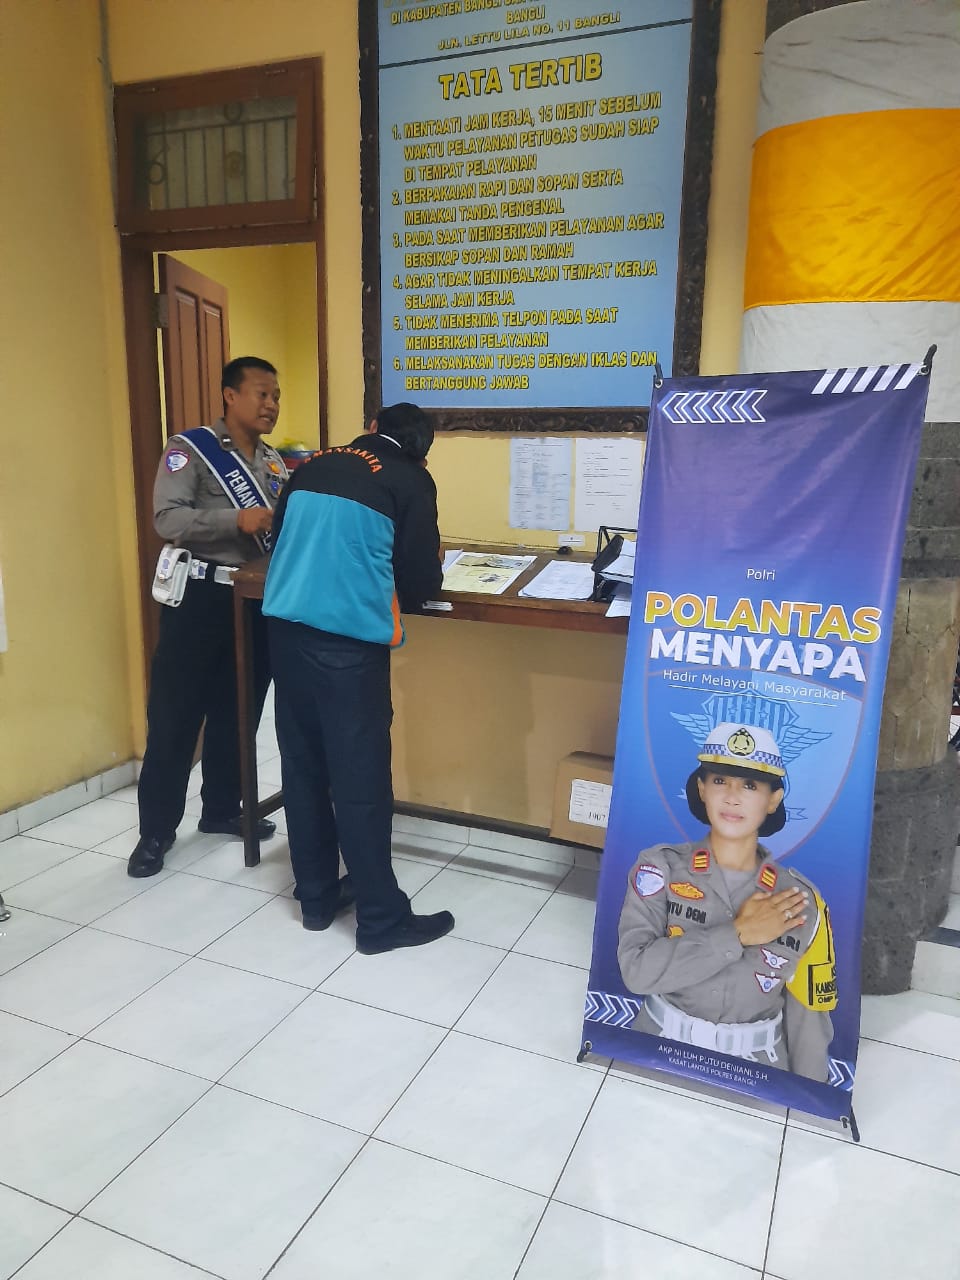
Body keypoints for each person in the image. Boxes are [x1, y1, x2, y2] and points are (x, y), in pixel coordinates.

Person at [262, 402, 454, 954]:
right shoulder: (411, 480)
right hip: (347, 647)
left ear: (372, 429)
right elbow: (420, 582)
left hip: (286, 634)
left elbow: (278, 541)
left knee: (303, 767)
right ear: (422, 453)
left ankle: (317, 898)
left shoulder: (313, 464)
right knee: (360, 781)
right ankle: (380, 919)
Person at [127, 356, 288, 878]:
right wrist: (235, 519)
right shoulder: (191, 450)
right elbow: (167, 518)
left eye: (276, 396)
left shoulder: (274, 463)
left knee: (239, 712)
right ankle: (156, 831)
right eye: (262, 393)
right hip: (198, 597)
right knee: (175, 716)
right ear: (230, 395)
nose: (271, 404)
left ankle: (222, 807)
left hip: (251, 601)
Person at [617, 722, 837, 1081]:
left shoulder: (802, 901)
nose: (732, 797)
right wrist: (737, 934)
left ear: (773, 799)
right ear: (702, 789)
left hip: (760, 1071)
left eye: (750, 785)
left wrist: (809, 1098)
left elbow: (808, 1020)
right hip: (658, 1048)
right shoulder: (660, 869)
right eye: (720, 780)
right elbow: (636, 972)